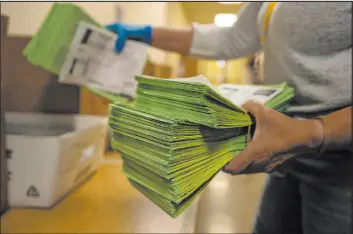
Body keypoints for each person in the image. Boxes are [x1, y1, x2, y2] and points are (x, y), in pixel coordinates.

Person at [106, 2, 352, 234]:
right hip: (287, 154)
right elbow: (233, 38)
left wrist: (314, 132)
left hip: (341, 161)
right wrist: (149, 34)